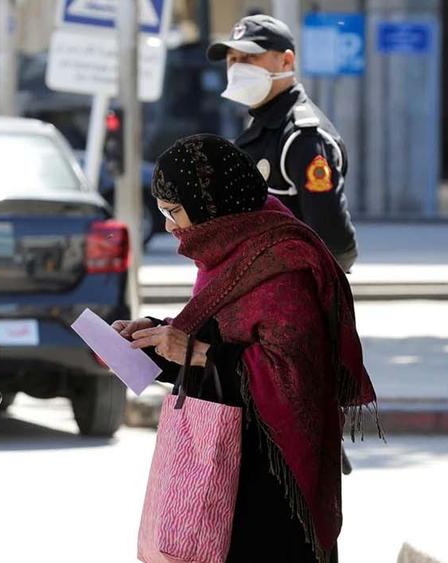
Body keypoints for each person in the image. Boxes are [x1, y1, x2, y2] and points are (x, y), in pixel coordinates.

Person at [113, 135, 378, 562]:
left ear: (209, 205)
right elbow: (216, 339)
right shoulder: (228, 250)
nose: (168, 227)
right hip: (225, 471)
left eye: (174, 212)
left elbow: (294, 373)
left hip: (273, 485)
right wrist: (153, 338)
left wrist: (196, 351)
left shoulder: (283, 261)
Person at [208, 15, 358, 271]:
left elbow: (335, 242)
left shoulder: (302, 137)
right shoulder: (261, 127)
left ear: (286, 61)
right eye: (232, 59)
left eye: (249, 58)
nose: (237, 68)